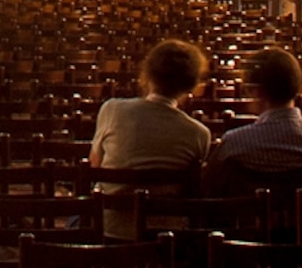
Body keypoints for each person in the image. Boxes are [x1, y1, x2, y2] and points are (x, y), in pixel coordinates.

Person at [206, 48, 302, 189]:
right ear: (299, 88)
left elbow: (211, 191)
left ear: (255, 90)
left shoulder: (234, 144)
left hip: (253, 213)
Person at [89, 38, 211, 178]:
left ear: (148, 74)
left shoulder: (112, 110)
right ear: (190, 86)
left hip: (111, 200)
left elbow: (94, 166)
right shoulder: (199, 134)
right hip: (166, 200)